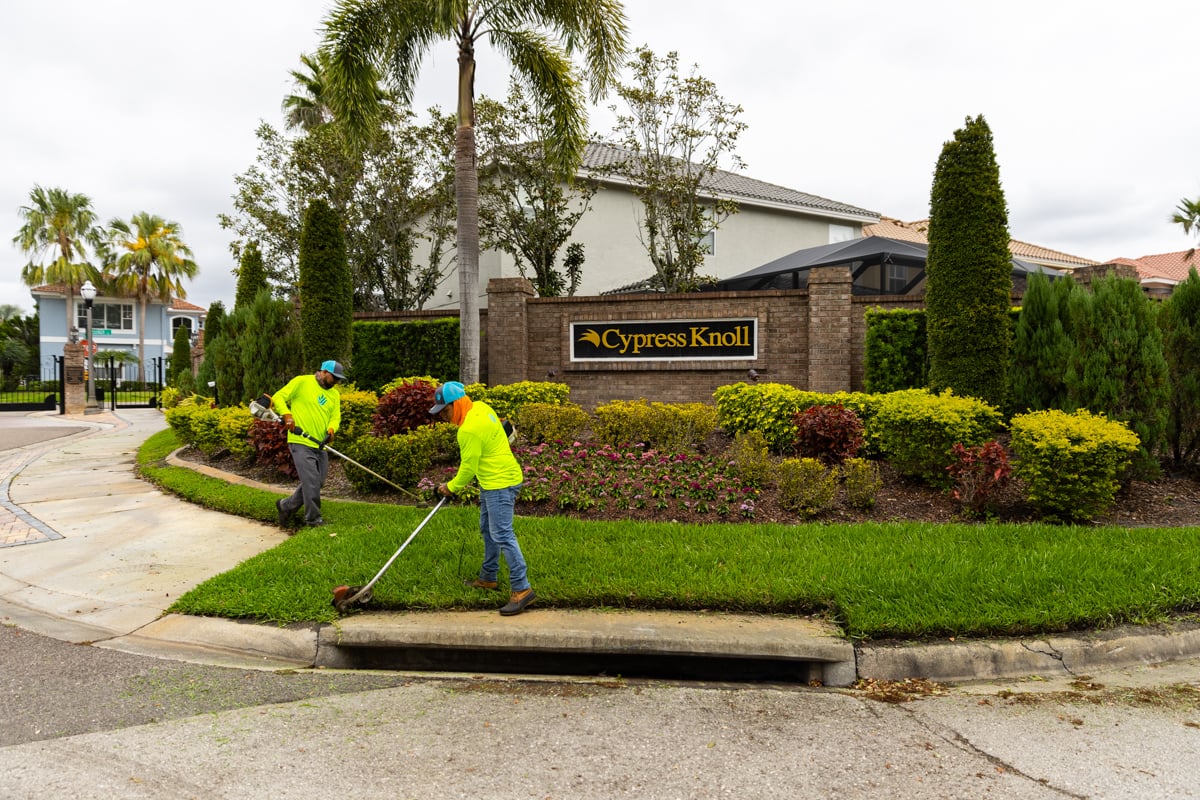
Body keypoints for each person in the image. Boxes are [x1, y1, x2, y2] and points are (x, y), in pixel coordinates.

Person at [430, 381, 535, 616]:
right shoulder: (481, 407)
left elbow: (468, 467)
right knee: (488, 529)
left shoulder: (468, 429)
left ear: (456, 404)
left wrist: (450, 487)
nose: (443, 417)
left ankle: (522, 589)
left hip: (500, 483)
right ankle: (489, 577)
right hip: (496, 480)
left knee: (502, 534)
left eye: (445, 411)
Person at [271, 360, 345, 529]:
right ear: (324, 372)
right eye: (335, 378)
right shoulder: (302, 382)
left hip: (320, 444)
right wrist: (287, 414)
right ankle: (313, 520)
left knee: (317, 482)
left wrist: (332, 429)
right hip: (300, 441)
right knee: (311, 482)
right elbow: (278, 397)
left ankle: (285, 506)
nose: (336, 382)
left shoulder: (334, 394)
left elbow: (335, 416)